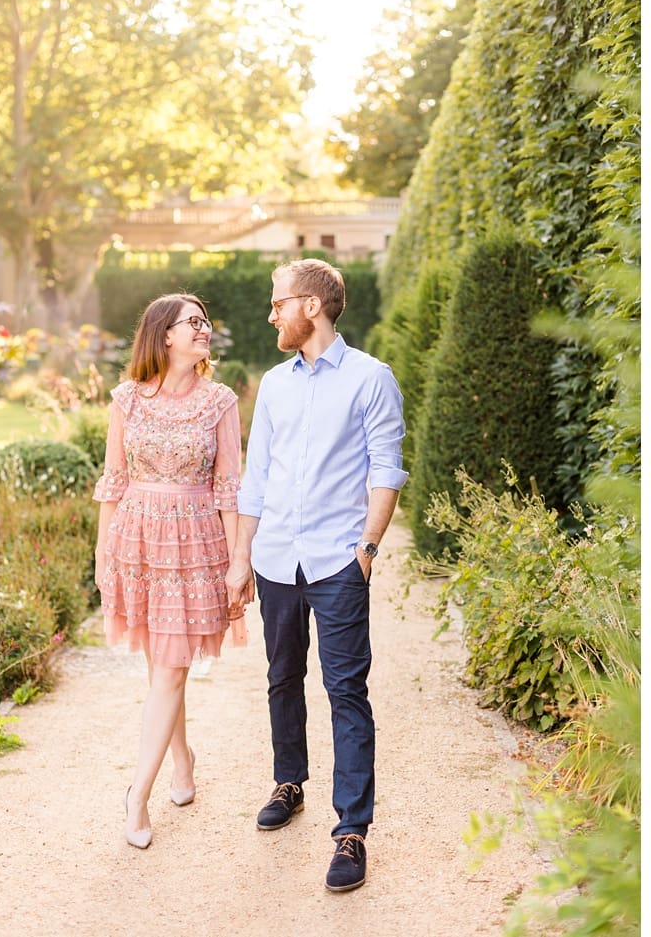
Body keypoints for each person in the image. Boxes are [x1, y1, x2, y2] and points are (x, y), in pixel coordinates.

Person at [228, 258, 406, 894]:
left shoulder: (371, 378)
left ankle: (351, 830)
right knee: (282, 678)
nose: (271, 314)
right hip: (276, 556)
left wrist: (367, 548)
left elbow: (386, 468)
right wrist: (240, 559)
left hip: (337, 559)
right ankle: (289, 781)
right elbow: (257, 478)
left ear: (311, 305)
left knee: (346, 691)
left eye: (279, 303)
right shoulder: (274, 385)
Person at [93, 293, 245, 850]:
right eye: (194, 323)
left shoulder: (219, 402)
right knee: (163, 663)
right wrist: (102, 554)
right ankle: (183, 759)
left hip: (197, 543)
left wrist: (236, 564)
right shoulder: (127, 400)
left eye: (206, 322)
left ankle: (137, 792)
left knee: (172, 669)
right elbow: (112, 481)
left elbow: (230, 487)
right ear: (164, 335)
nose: (205, 330)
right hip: (137, 540)